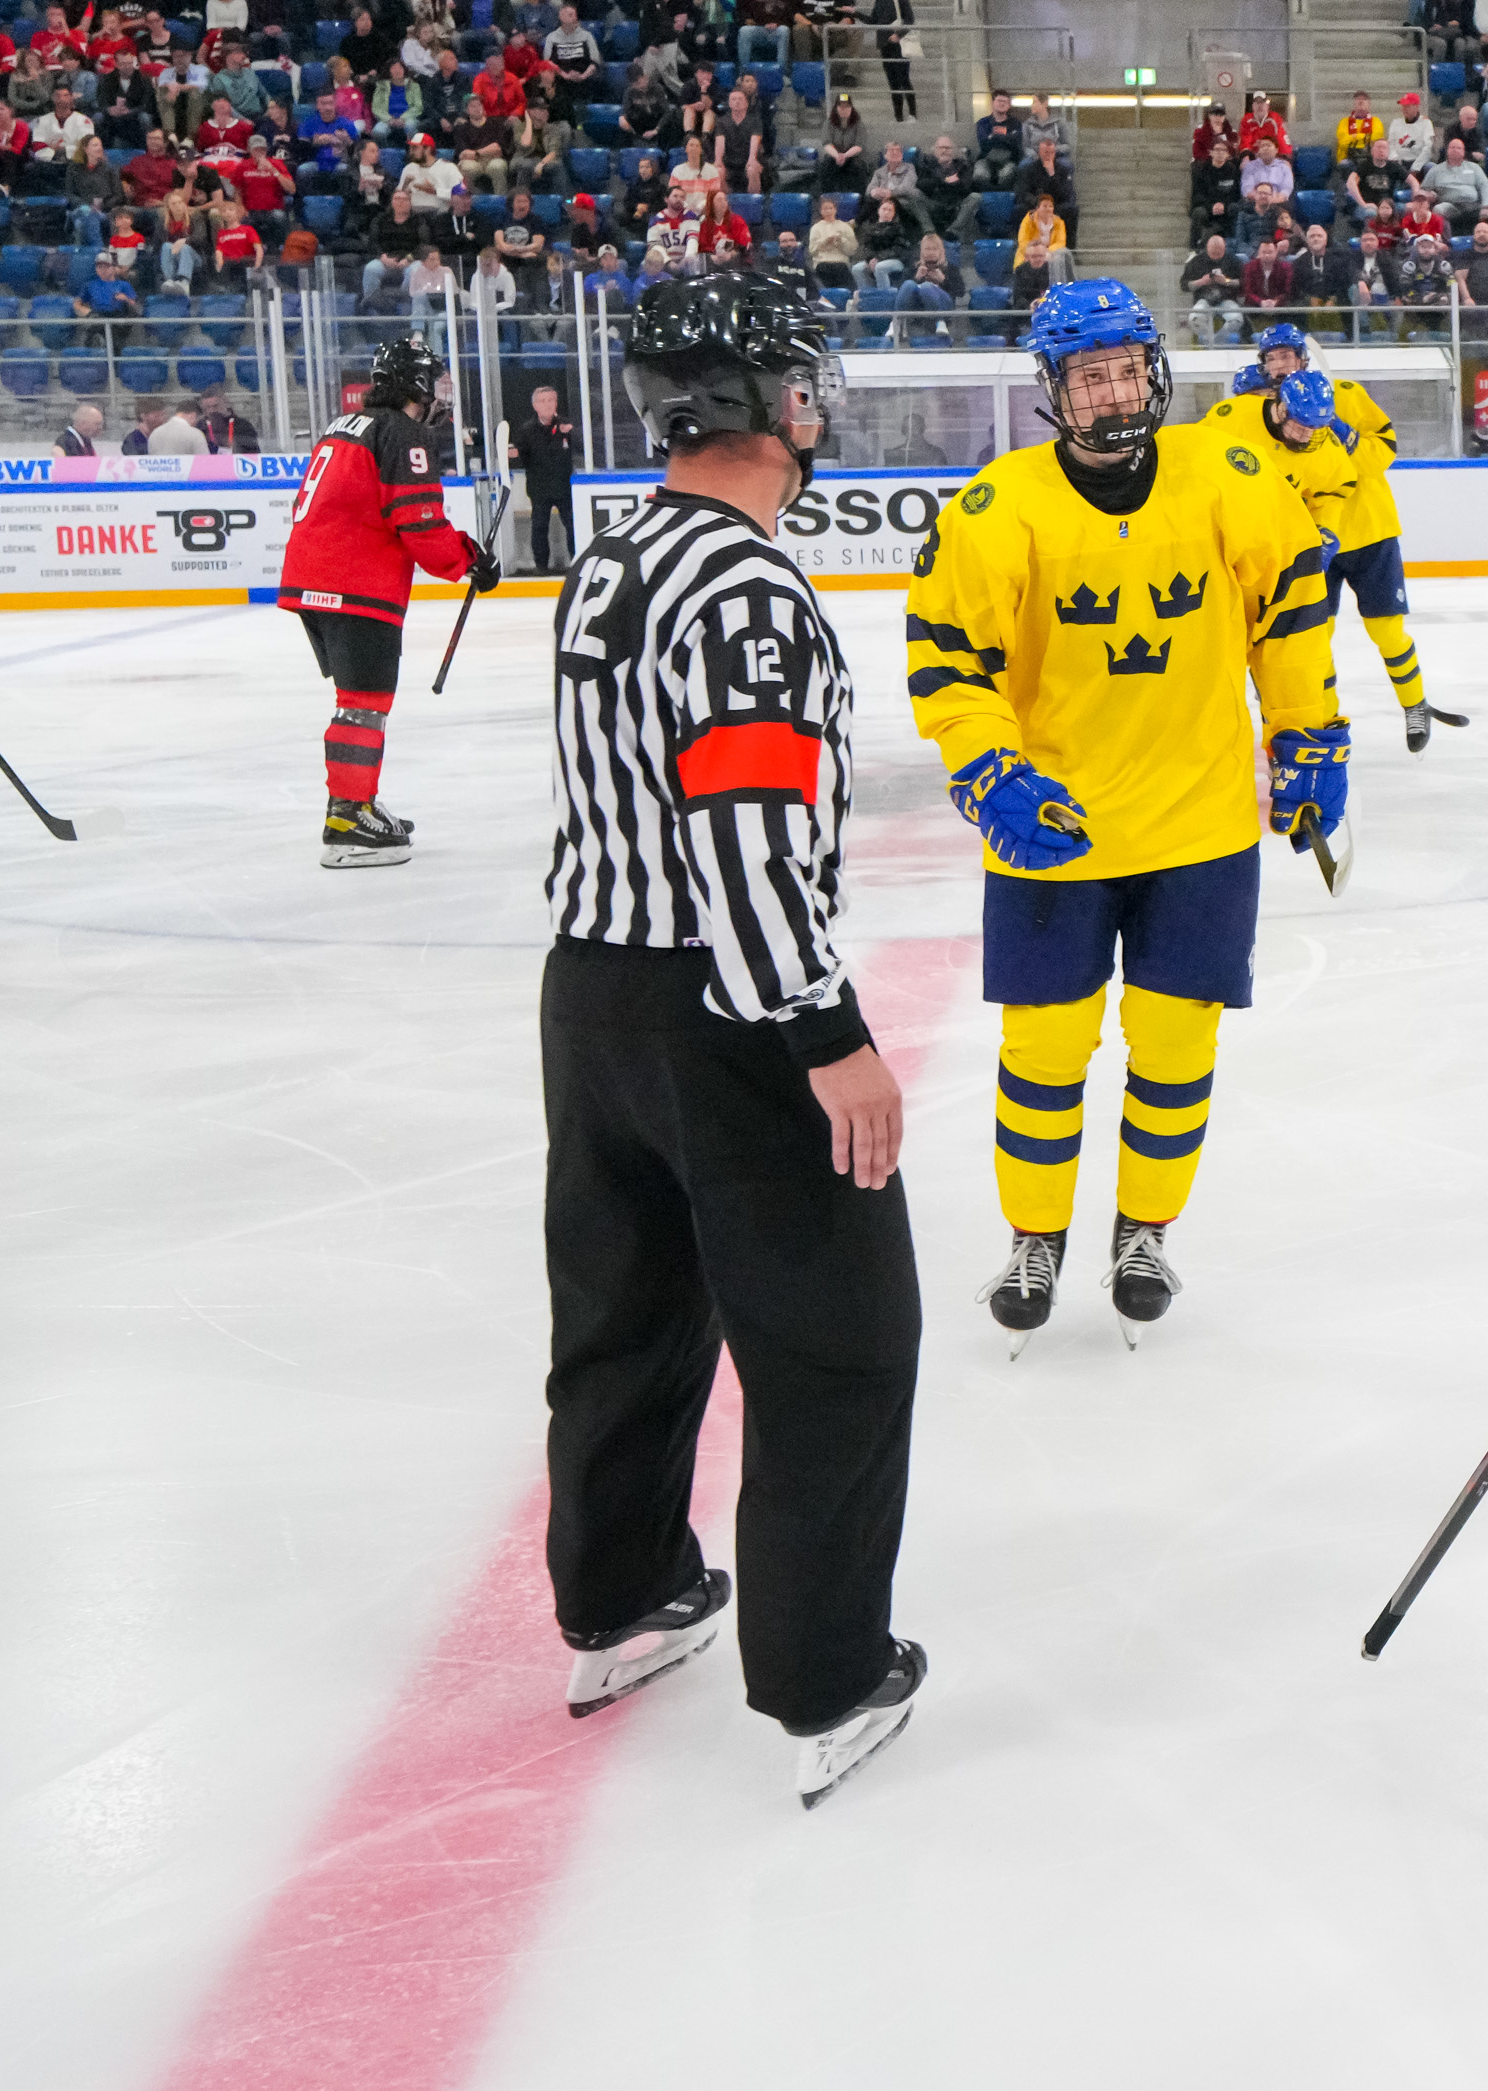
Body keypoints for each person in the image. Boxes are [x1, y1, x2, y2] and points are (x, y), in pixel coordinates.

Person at [540, 271, 926, 1810]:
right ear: (763, 404)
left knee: (629, 1313)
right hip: (730, 1008)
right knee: (840, 1339)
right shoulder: (749, 590)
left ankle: (622, 1597)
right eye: (805, 385)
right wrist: (829, 1034)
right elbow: (751, 841)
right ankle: (828, 1673)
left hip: (595, 1001)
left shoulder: (616, 554)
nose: (816, 411)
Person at [901, 279, 1342, 1351]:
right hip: (1059, 827)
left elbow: (1289, 614)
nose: (1112, 391)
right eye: (1089, 375)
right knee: (1046, 1048)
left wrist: (1312, 735)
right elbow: (949, 664)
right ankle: (1036, 1236)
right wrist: (989, 773)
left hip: (1200, 828)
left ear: (1156, 369)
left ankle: (1143, 1229)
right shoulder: (997, 507)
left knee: (1175, 1043)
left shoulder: (1228, 476)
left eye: (1126, 368)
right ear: (1056, 390)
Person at [275, 336, 497, 868]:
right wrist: (468, 559)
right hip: (356, 583)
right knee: (364, 703)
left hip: (313, 578)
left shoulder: (342, 425)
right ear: (415, 383)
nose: (442, 391)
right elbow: (417, 521)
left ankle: (356, 803)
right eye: (435, 380)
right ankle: (348, 818)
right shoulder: (402, 431)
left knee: (357, 698)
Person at [1207, 323, 1462, 751]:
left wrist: (1342, 433)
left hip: (1368, 532)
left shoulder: (1342, 392)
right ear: (1263, 365)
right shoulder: (1259, 413)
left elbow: (1381, 456)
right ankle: (1321, 722)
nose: (1281, 364)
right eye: (1273, 358)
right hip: (1310, 544)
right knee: (1314, 640)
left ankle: (1415, 705)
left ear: (1303, 358)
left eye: (1289, 355)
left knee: (1387, 630)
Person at [513, 384, 576, 572]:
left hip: (565, 487)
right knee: (539, 527)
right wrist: (512, 453)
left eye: (551, 400)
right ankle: (541, 566)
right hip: (539, 488)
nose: (548, 404)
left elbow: (583, 450)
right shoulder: (527, 430)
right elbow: (520, 456)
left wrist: (572, 434)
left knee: (573, 526)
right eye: (543, 401)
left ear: (556, 403)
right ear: (535, 406)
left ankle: (576, 562)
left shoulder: (567, 426)